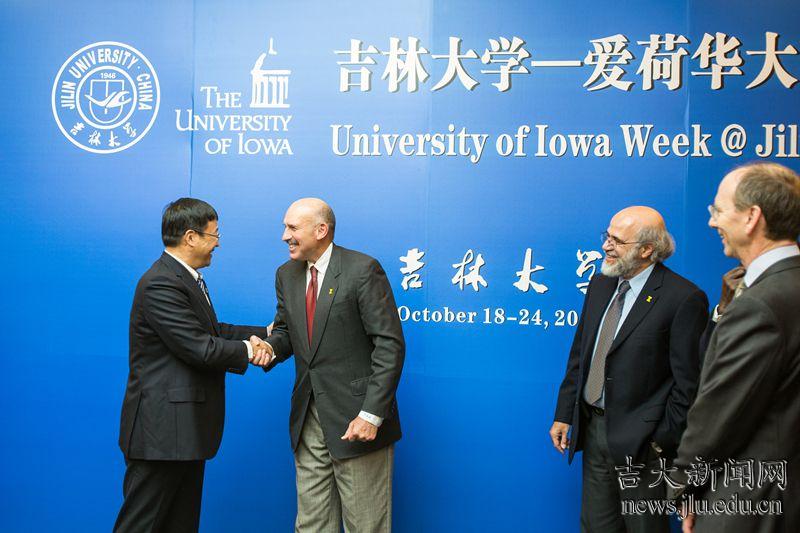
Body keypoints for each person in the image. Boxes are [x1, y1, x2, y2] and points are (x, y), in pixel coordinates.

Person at [114, 198, 272, 533]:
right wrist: (250, 350)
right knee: (142, 526)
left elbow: (213, 331)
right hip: (162, 435)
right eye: (214, 235)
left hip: (183, 433)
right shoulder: (160, 282)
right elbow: (199, 347)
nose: (218, 243)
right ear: (190, 237)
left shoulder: (186, 278)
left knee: (180, 525)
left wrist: (267, 334)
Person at [550, 206, 708, 533]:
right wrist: (565, 413)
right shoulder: (600, 284)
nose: (606, 246)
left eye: (617, 241)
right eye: (607, 236)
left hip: (644, 446)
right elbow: (581, 354)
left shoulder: (683, 298)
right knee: (595, 527)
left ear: (647, 249)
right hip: (594, 431)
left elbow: (688, 384)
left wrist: (659, 441)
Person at [262, 198, 404, 533]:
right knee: (311, 525)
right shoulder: (286, 275)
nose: (284, 236)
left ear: (321, 230)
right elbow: (286, 331)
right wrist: (268, 347)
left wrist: (371, 415)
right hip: (308, 419)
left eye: (292, 228)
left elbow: (390, 345)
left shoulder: (362, 270)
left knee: (365, 525)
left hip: (358, 420)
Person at [675, 162, 800, 533]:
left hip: (750, 503)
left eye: (718, 210)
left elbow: (718, 413)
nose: (711, 221)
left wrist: (685, 487)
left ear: (751, 217)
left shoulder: (760, 305)